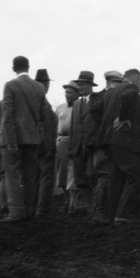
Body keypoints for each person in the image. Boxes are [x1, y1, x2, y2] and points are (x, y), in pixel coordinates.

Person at [90, 69, 140, 225]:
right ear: (136, 78)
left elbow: (94, 109)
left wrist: (108, 123)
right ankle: (124, 214)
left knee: (116, 178)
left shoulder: (109, 93)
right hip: (126, 142)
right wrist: (122, 118)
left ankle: (113, 216)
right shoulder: (131, 88)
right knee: (136, 178)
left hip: (109, 143)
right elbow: (128, 97)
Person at [0, 55, 48, 222]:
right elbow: (41, 116)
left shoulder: (10, 86)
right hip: (32, 139)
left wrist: (11, 140)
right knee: (30, 175)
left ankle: (17, 213)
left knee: (14, 176)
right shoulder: (39, 87)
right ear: (29, 67)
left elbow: (8, 116)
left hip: (15, 139)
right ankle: (30, 212)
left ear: (13, 68)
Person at [88, 70, 125, 223]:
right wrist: (108, 124)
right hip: (102, 143)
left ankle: (105, 211)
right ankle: (100, 212)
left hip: (110, 142)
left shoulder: (112, 96)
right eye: (117, 83)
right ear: (109, 82)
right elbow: (94, 111)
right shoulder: (99, 96)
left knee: (109, 175)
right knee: (104, 174)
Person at [68, 70, 100, 215]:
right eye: (78, 84)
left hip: (92, 146)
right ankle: (90, 208)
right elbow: (73, 127)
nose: (79, 87)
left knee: (92, 176)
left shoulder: (98, 100)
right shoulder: (75, 104)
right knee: (81, 179)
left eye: (82, 85)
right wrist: (71, 148)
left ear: (90, 85)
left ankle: (100, 207)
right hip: (77, 148)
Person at [34, 69, 59, 217]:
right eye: (46, 83)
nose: (48, 86)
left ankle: (35, 208)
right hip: (44, 146)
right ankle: (43, 210)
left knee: (36, 178)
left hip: (35, 144)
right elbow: (46, 126)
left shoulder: (34, 100)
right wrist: (50, 147)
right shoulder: (42, 101)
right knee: (47, 177)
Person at [55, 81, 79, 211]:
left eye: (69, 93)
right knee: (61, 172)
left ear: (77, 94)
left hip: (74, 140)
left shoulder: (80, 107)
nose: (67, 95)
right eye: (66, 93)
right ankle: (65, 201)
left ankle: (73, 204)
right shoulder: (60, 107)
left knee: (73, 172)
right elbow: (54, 125)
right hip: (61, 141)